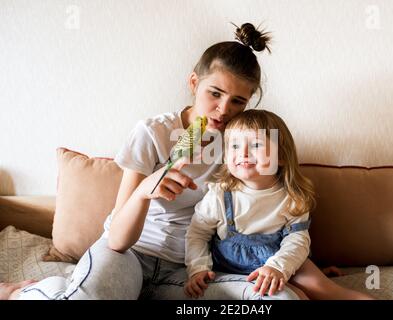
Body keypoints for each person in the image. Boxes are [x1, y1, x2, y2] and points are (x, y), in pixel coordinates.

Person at [1, 22, 372, 300]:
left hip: (190, 272)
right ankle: (27, 291)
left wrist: (304, 270)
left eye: (239, 101)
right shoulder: (153, 133)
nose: (224, 110)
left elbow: (267, 208)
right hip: (129, 255)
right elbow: (116, 238)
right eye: (215, 93)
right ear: (194, 83)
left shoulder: (240, 147)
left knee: (278, 300)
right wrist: (148, 188)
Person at [184, 109, 313, 299]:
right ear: (226, 157)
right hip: (226, 273)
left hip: (276, 268)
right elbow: (197, 234)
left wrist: (277, 268)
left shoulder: (292, 198)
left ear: (282, 156)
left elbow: (298, 240)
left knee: (309, 291)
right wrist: (198, 269)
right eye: (234, 145)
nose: (243, 152)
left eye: (256, 145)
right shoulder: (220, 194)